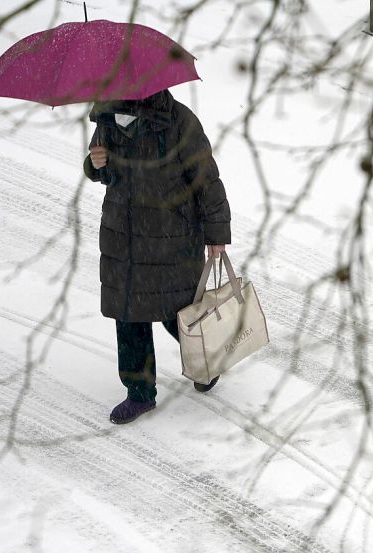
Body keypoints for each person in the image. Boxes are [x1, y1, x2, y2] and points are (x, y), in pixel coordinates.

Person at [83, 89, 231, 425]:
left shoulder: (179, 121)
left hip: (171, 236)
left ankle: (205, 361)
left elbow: (206, 178)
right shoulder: (107, 116)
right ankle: (139, 393)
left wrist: (217, 233)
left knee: (178, 313)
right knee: (129, 314)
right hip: (123, 236)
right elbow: (99, 167)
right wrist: (94, 164)